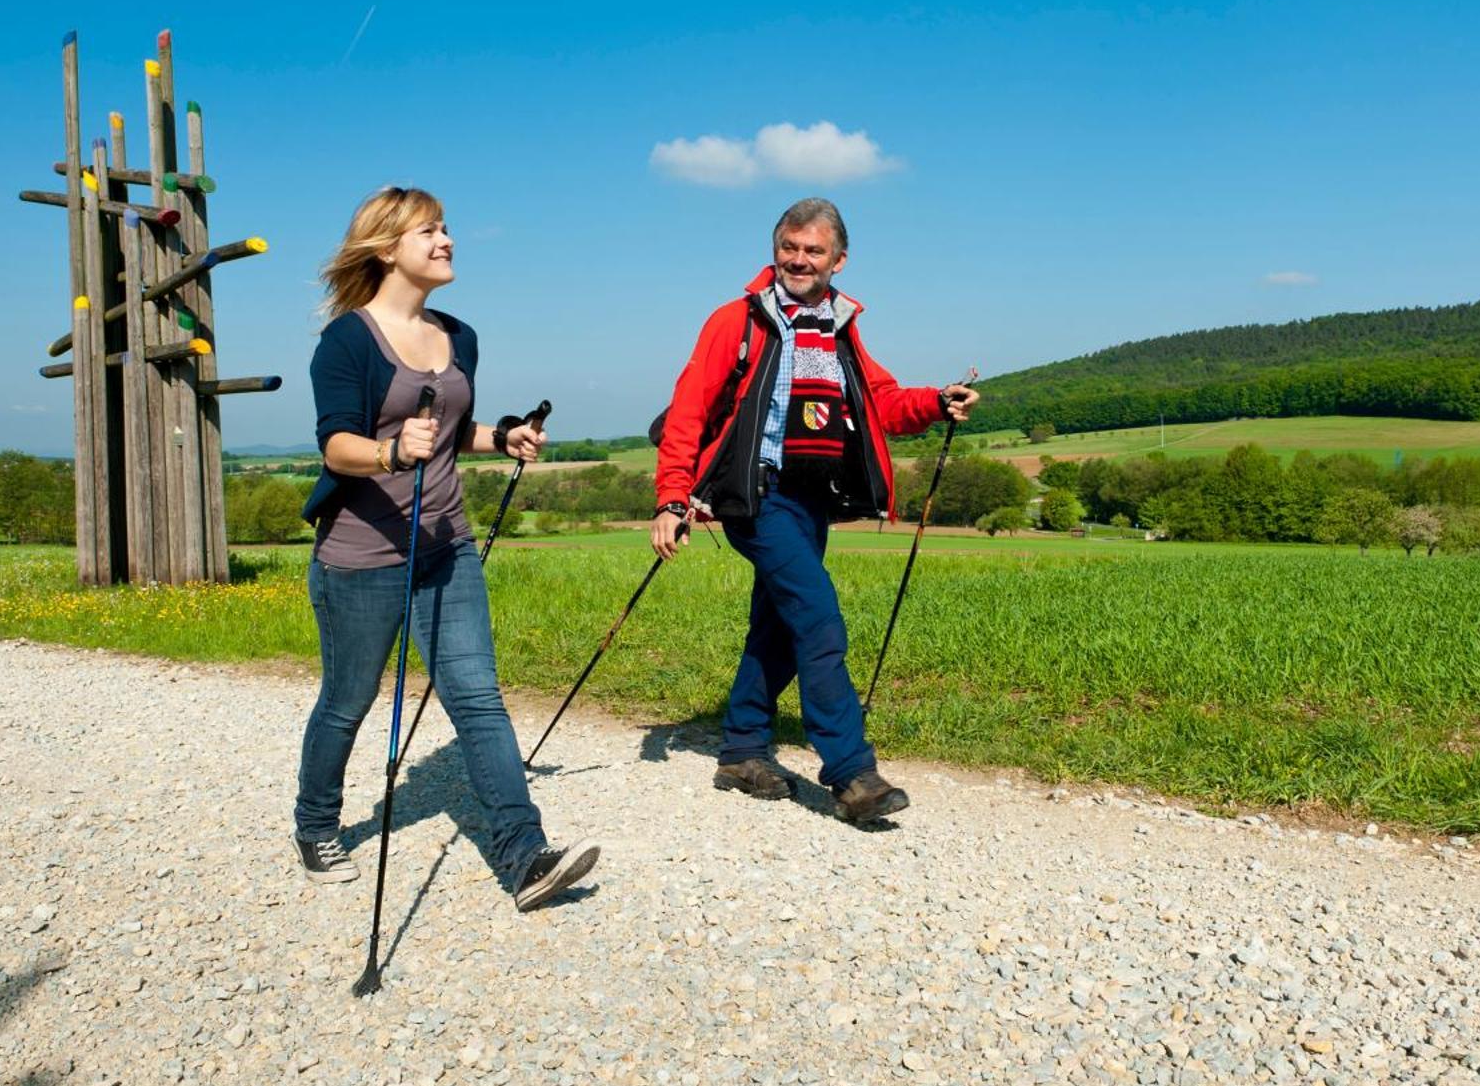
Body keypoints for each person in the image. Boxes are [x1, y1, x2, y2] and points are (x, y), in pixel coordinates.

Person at [293, 185, 599, 910]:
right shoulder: (347, 341)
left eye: (446, 227)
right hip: (360, 555)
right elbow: (337, 445)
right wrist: (391, 450)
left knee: (477, 696)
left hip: (446, 548)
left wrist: (504, 436)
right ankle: (315, 822)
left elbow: (452, 432)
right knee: (348, 699)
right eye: (429, 230)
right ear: (386, 248)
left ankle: (524, 856)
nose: (446, 239)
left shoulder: (459, 334)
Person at [650, 197, 978, 824]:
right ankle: (851, 772)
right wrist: (671, 495)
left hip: (812, 498)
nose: (799, 260)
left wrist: (936, 402)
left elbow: (880, 401)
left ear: (838, 259)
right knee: (818, 615)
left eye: (813, 250)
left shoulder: (839, 325)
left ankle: (742, 748)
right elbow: (689, 406)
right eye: (789, 248)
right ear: (775, 251)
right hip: (755, 494)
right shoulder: (737, 320)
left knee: (778, 622)